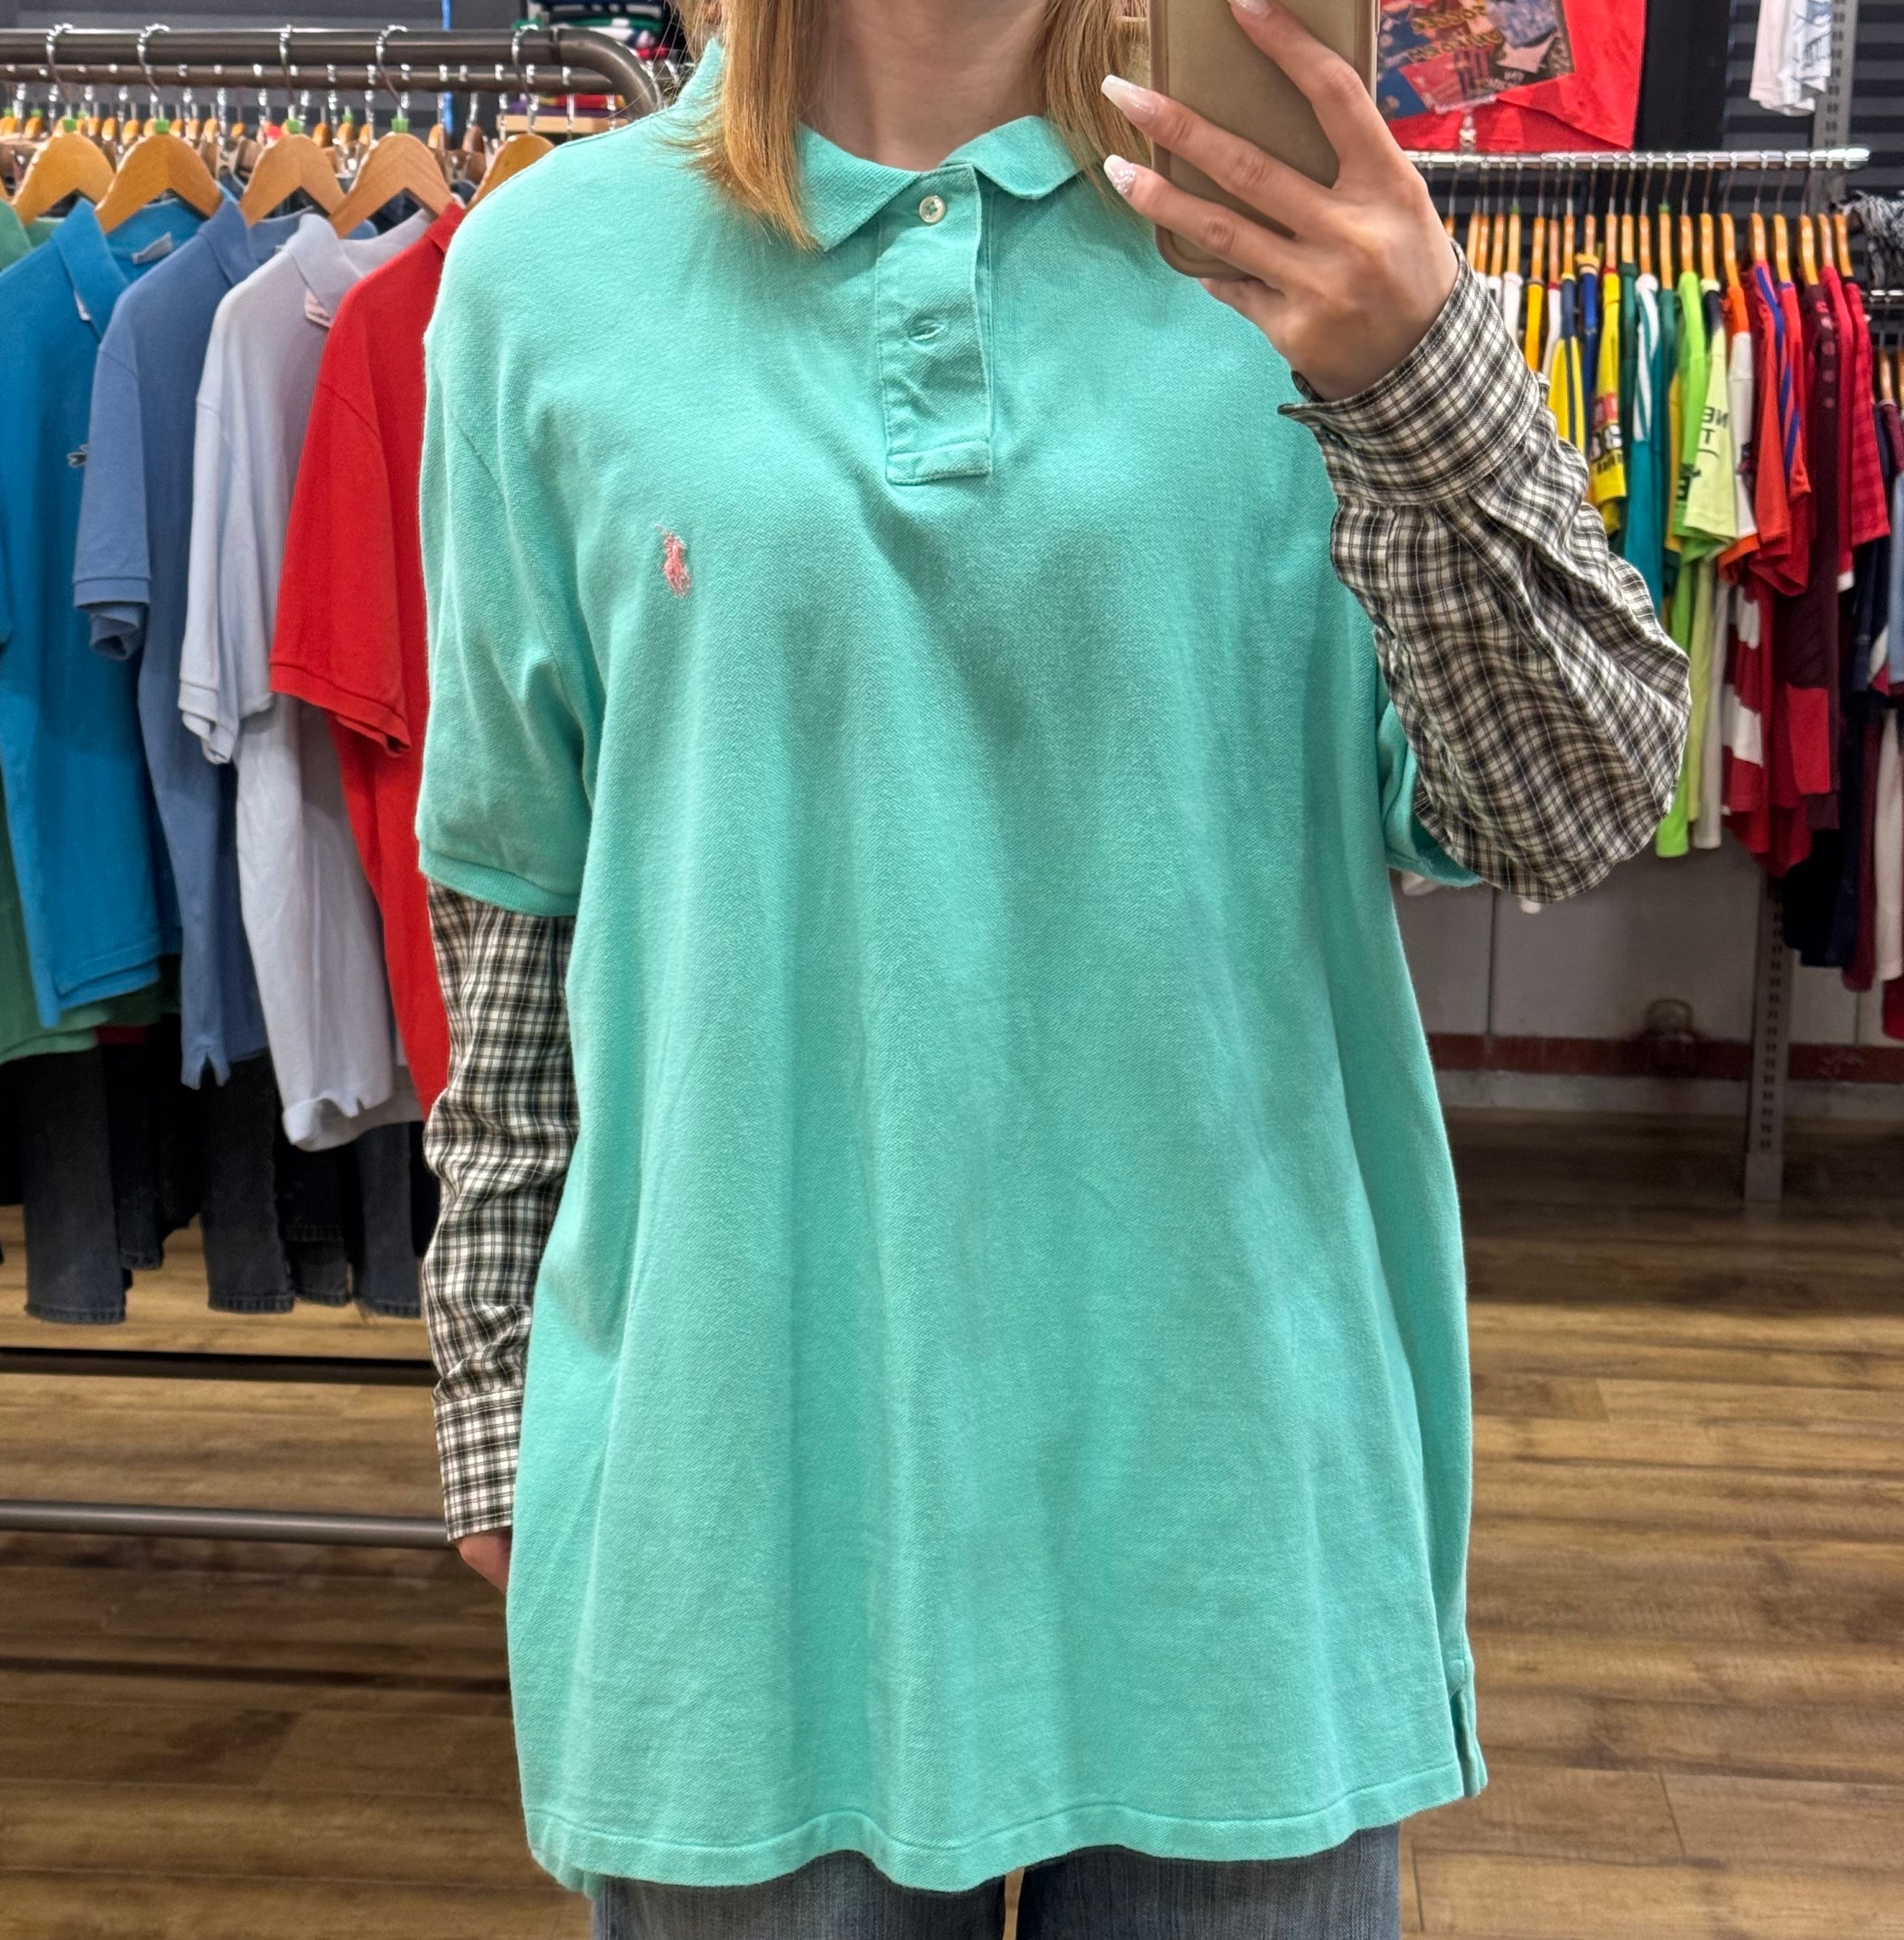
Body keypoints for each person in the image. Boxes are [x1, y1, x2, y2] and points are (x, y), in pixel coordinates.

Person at [415, 1, 1687, 1934]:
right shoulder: (545, 272)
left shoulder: (1317, 255)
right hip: (740, 1486)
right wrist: (494, 1383)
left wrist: (1419, 381)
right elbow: (519, 884)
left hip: (1233, 1495)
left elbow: (1571, 809)